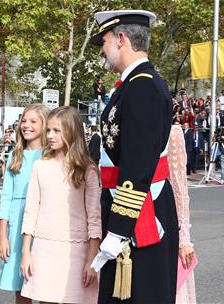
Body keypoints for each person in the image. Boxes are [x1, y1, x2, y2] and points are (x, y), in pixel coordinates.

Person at [90, 10, 179, 303]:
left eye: (103, 41)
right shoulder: (132, 85)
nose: (102, 50)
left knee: (141, 294)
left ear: (121, 38)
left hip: (140, 211)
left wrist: (119, 229)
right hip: (132, 206)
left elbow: (139, 165)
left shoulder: (143, 87)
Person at [20, 106, 101, 304]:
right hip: (44, 248)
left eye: (57, 130)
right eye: (48, 130)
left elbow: (95, 219)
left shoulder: (87, 170)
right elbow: (31, 211)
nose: (50, 135)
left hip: (77, 252)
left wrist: (91, 260)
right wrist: (26, 253)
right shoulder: (40, 166)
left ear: (71, 131)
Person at [0, 104, 50, 304]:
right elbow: (6, 197)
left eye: (33, 121)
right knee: (20, 287)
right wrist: (3, 235)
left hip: (44, 222)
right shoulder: (15, 155)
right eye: (24, 121)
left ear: (45, 124)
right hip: (17, 224)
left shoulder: (51, 155)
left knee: (46, 285)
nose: (26, 125)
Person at [167, 118, 196, 304]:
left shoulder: (172, 133)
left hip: (166, 225)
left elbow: (180, 190)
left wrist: (183, 239)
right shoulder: (125, 129)